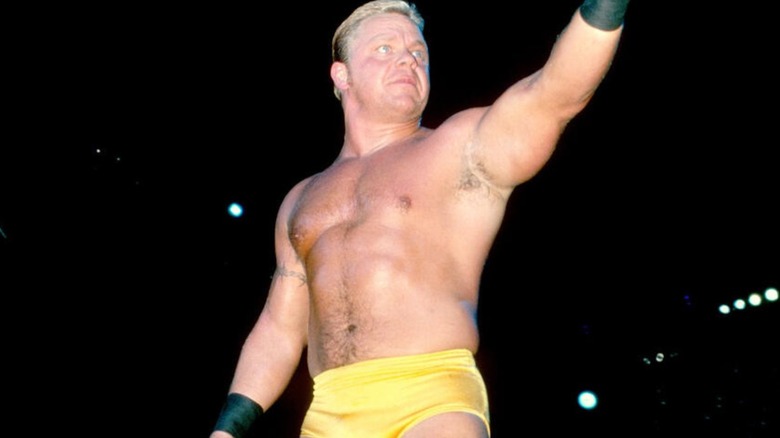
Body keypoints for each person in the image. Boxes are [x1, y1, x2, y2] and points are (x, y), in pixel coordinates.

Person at [211, 0, 630, 436]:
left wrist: (606, 6)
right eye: (385, 49)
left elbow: (555, 93)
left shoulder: (457, 150)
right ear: (342, 75)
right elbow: (279, 329)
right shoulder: (300, 199)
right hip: (329, 412)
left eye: (418, 52)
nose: (408, 59)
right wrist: (228, 429)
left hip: (433, 397)